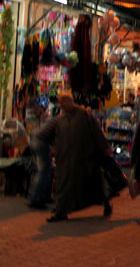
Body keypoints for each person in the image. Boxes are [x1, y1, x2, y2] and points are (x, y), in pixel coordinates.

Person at [41, 92, 110, 222]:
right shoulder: (61, 119)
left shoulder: (83, 115)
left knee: (93, 184)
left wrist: (104, 148)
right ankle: (60, 211)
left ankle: (105, 203)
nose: (61, 106)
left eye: (63, 103)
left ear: (69, 101)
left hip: (84, 158)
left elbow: (96, 131)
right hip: (67, 159)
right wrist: (54, 150)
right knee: (64, 185)